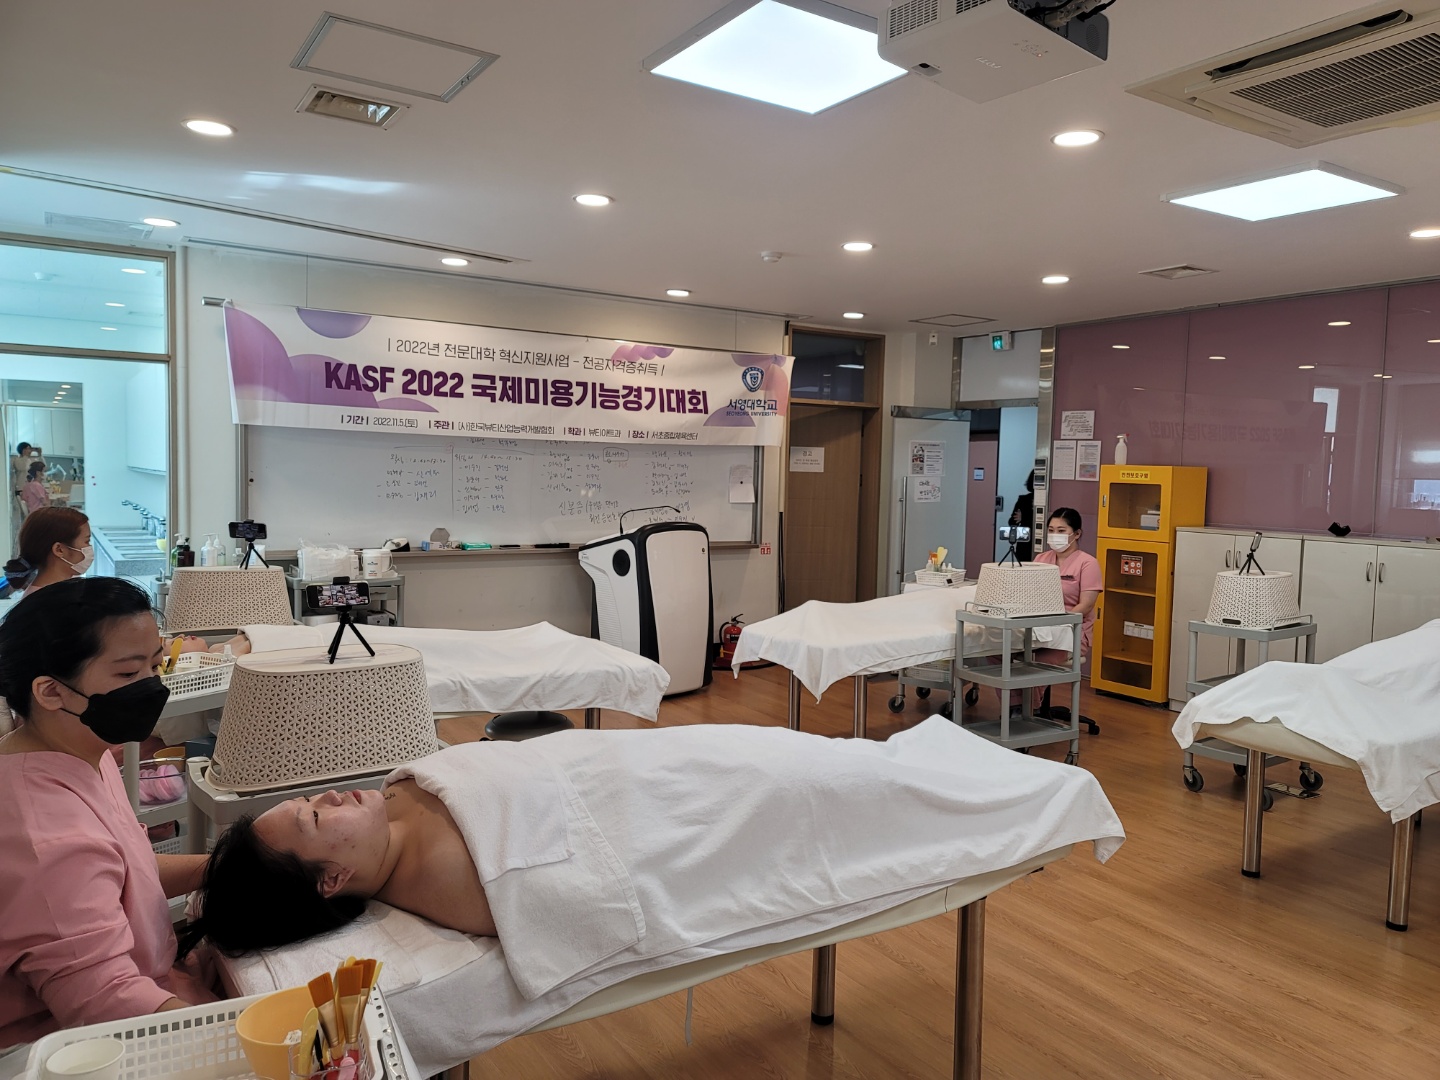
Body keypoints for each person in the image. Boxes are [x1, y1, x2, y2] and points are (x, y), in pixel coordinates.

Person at [0, 578, 213, 1048]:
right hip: (83, 1045)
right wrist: (238, 1036)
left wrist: (224, 865)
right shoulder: (44, 837)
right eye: (129, 673)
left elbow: (123, 871)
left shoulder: (82, 752)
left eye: (156, 665)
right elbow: (105, 1003)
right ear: (50, 691)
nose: (151, 687)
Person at [1027, 508, 1102, 711]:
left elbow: (1086, 605)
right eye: (1051, 530)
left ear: (1076, 534)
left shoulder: (1088, 563)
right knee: (1001, 655)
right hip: (1038, 628)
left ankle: (1028, 709)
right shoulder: (1041, 559)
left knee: (1037, 664)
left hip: (1071, 631)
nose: (1055, 535)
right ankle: (1015, 707)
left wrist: (1059, 622)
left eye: (1061, 530)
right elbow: (1028, 594)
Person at [4, 507, 92, 595]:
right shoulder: (46, 599)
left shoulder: (61, 592)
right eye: (87, 541)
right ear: (59, 550)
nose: (90, 547)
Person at [1007, 470, 1036, 561]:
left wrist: (1024, 517)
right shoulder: (1024, 500)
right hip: (1025, 543)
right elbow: (1012, 522)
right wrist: (1024, 518)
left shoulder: (1049, 500)